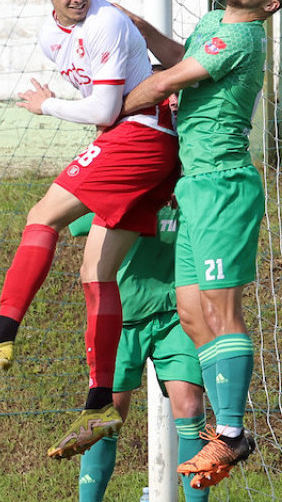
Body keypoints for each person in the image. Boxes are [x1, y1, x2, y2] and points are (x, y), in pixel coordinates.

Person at [0, 0, 182, 460]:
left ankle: (0, 337)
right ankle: (99, 404)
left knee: (41, 216)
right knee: (96, 271)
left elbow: (105, 105)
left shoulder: (107, 22)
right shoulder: (52, 35)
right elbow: (100, 106)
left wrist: (47, 106)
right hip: (137, 142)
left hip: (139, 138)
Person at [121, 0, 282, 489]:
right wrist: (142, 29)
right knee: (191, 309)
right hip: (194, 186)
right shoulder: (212, 24)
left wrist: (103, 109)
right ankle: (215, 439)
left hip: (224, 184)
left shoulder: (244, 39)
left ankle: (232, 432)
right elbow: (184, 56)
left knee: (221, 308)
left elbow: (168, 81)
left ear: (269, 5)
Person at [68, 203, 208, 502]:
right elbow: (75, 220)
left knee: (191, 408)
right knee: (106, 416)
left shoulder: (187, 191)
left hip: (176, 314)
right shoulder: (129, 187)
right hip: (120, 316)